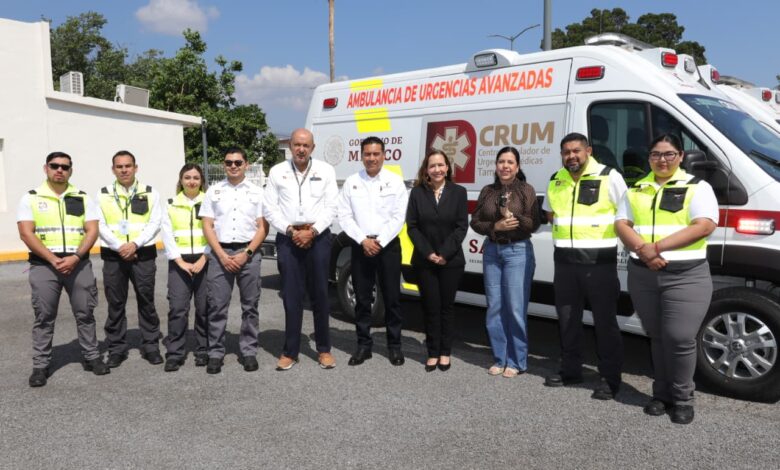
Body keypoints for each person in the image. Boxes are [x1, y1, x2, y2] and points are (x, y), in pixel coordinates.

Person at [615, 134, 718, 425]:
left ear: (681, 156)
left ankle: (683, 398)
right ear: (649, 157)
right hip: (643, 274)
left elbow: (704, 225)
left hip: (686, 276)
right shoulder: (637, 188)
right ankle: (661, 394)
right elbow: (621, 223)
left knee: (680, 338)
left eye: (669, 154)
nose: (662, 160)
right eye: (656, 154)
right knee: (657, 336)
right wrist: (644, 251)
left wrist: (657, 248)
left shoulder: (697, 187)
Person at [542, 132, 627, 400]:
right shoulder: (556, 179)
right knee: (568, 320)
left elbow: (626, 214)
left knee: (604, 322)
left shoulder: (609, 176)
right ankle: (571, 371)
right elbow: (550, 213)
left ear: (588, 151)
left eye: (576, 151)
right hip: (565, 262)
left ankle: (610, 379)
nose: (571, 156)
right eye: (566, 152)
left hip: (598, 262)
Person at [17, 152, 110, 386]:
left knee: (85, 313)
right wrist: (52, 259)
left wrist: (76, 257)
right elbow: (26, 233)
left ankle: (92, 357)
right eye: (54, 165)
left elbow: (92, 230)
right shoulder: (31, 197)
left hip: (78, 264)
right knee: (44, 316)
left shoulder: (82, 197)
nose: (60, 170)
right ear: (46, 168)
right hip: (44, 265)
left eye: (65, 167)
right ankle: (41, 365)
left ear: (71, 170)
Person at [263, 128, 338, 371]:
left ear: (312, 148)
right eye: (297, 144)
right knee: (291, 296)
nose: (301, 149)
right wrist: (289, 230)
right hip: (288, 238)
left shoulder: (325, 170)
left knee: (320, 295)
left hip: (318, 237)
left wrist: (312, 231)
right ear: (290, 146)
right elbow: (269, 208)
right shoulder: (277, 171)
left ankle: (324, 350)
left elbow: (332, 207)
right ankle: (290, 352)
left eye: (306, 145)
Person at [337, 136, 409, 366]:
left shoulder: (395, 182)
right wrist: (362, 240)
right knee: (362, 299)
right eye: (367, 154)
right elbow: (344, 215)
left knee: (392, 298)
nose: (372, 158)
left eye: (376, 154)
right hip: (361, 246)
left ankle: (394, 347)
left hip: (388, 247)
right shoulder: (352, 182)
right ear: (361, 156)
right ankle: (363, 346)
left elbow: (399, 216)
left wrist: (380, 241)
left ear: (384, 155)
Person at [470, 146, 539, 378]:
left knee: (515, 308)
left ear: (517, 167)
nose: (505, 166)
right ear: (496, 166)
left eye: (510, 162)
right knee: (495, 307)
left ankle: (517, 361)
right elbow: (475, 222)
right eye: (501, 161)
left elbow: (534, 223)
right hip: (492, 251)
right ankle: (500, 358)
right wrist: (495, 226)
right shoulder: (487, 191)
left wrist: (510, 215)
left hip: (517, 251)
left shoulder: (526, 190)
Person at [200, 147, 268, 374]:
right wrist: (221, 255)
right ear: (224, 164)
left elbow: (263, 227)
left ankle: (248, 351)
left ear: (246, 164)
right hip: (220, 253)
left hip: (249, 253)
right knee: (217, 306)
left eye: (238, 162)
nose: (233, 166)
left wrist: (246, 253)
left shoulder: (257, 192)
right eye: (229, 162)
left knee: (250, 306)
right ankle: (215, 353)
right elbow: (207, 225)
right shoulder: (214, 191)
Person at [97, 150, 163, 368]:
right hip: (113, 255)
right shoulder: (103, 194)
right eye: (119, 166)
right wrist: (120, 246)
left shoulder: (150, 192)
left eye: (128, 166)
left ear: (136, 168)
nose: (124, 170)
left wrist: (134, 244)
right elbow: (99, 224)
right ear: (113, 169)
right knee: (115, 302)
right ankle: (116, 348)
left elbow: (155, 222)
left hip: (143, 253)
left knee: (146, 300)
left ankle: (151, 346)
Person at [405, 150, 468, 372]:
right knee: (430, 307)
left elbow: (461, 226)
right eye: (432, 166)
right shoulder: (417, 193)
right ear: (426, 170)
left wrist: (444, 253)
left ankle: (445, 352)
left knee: (446, 308)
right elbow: (412, 226)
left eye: (441, 165)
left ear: (448, 168)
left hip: (451, 261)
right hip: (425, 261)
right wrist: (429, 253)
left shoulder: (459, 192)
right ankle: (432, 352)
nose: (437, 169)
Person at [159, 164, 209, 372]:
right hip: (179, 262)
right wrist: (179, 261)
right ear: (181, 180)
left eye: (196, 177)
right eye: (187, 177)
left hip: (204, 260)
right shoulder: (171, 204)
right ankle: (175, 353)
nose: (192, 181)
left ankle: (203, 350)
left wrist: (204, 257)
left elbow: (215, 231)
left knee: (205, 308)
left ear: (201, 180)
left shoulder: (209, 201)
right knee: (178, 309)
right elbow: (167, 234)